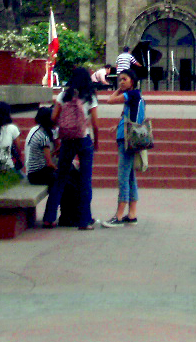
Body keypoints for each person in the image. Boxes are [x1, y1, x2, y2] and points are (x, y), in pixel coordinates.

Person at [43, 66, 100, 230]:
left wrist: (62, 128)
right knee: (85, 180)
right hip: (83, 140)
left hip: (67, 140)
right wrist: (96, 142)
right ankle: (84, 220)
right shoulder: (89, 97)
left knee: (60, 179)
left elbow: (53, 117)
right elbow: (95, 124)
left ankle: (49, 218)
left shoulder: (63, 95)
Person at [99, 68, 143, 227]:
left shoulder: (132, 94)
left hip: (127, 140)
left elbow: (109, 100)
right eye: (120, 80)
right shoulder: (134, 96)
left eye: (124, 79)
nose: (122, 82)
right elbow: (127, 114)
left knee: (123, 176)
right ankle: (132, 215)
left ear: (132, 80)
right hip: (127, 139)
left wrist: (118, 89)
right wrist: (116, 125)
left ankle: (118, 216)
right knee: (130, 176)